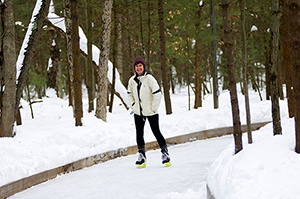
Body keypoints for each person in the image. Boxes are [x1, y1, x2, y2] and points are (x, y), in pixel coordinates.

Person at [127, 57, 171, 168]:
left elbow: (157, 93)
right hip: (138, 112)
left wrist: (153, 107)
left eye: (140, 65)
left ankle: (165, 152)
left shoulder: (149, 78)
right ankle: (141, 154)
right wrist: (133, 106)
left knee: (156, 131)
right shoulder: (132, 81)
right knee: (139, 133)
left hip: (151, 111)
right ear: (135, 68)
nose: (138, 68)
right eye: (137, 66)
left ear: (144, 67)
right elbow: (129, 94)